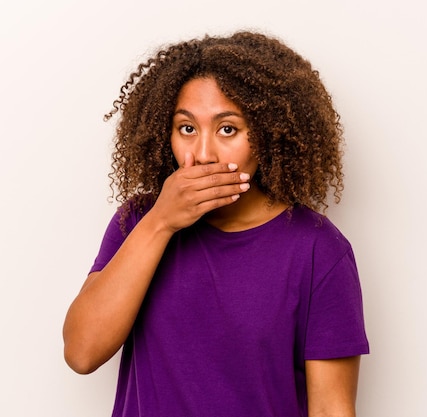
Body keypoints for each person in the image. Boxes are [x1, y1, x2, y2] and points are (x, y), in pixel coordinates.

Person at [63, 30, 369, 417]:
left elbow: (331, 409)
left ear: (268, 136)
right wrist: (161, 222)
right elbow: (81, 352)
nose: (203, 154)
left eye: (228, 129)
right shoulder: (139, 221)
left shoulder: (318, 250)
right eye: (187, 128)